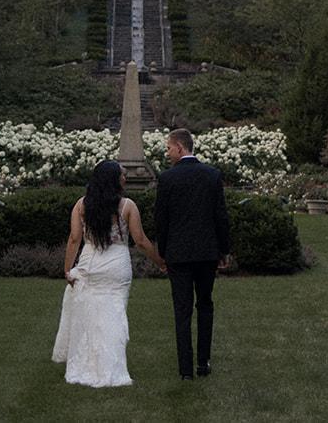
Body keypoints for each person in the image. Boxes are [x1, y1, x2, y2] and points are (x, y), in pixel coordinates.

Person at [52, 159, 165, 387]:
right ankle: (111, 367)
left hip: (89, 264)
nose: (125, 177)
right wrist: (160, 262)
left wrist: (67, 269)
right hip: (116, 265)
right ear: (112, 180)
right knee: (114, 315)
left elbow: (74, 238)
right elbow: (140, 241)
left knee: (89, 317)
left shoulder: (81, 205)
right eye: (122, 175)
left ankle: (88, 364)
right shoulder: (127, 206)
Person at [154, 128, 232, 380]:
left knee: (182, 310)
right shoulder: (212, 175)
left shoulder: (167, 179)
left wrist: (163, 252)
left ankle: (186, 370)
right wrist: (224, 250)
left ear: (179, 147)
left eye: (169, 148)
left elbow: (161, 220)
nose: (167, 153)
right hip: (207, 253)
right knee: (205, 305)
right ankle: (203, 363)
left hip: (178, 254)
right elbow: (221, 216)